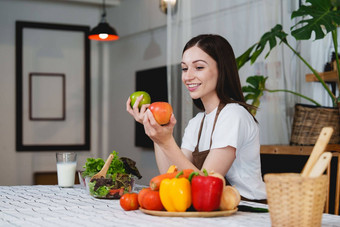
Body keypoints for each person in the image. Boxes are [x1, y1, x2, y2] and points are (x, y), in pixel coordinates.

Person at [126, 34, 266, 201]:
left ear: (222, 70)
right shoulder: (197, 122)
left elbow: (206, 184)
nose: (188, 76)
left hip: (248, 210)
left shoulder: (234, 115)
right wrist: (157, 132)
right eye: (184, 69)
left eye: (199, 67)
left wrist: (167, 142)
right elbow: (172, 176)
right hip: (213, 209)